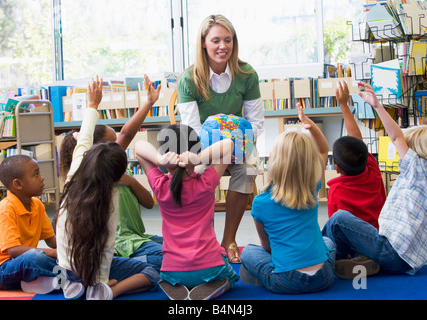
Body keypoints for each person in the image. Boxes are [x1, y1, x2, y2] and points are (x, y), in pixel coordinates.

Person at [55, 76, 159, 300]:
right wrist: (101, 283)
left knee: (163, 247)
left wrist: (92, 106)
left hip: (67, 266)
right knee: (159, 269)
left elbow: (84, 140)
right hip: (95, 266)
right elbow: (108, 243)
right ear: (116, 176)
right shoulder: (109, 194)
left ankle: (68, 282)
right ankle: (106, 289)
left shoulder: (76, 172)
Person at [176, 14, 264, 263]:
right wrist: (219, 153)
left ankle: (229, 240)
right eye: (215, 40)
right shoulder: (189, 79)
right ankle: (204, 241)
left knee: (248, 169)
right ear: (203, 42)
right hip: (203, 147)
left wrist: (236, 147)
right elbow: (192, 131)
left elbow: (256, 124)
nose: (222, 46)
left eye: (228, 40)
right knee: (197, 169)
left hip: (240, 143)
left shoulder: (247, 75)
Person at [322, 81, 427, 279]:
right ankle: (364, 259)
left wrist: (377, 105)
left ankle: (324, 263)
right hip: (407, 261)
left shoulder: (417, 170)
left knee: (338, 219)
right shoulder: (379, 172)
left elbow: (396, 137)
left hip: (392, 250)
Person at [135, 124, 239, 300]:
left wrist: (160, 160)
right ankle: (218, 284)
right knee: (231, 275)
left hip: (173, 270)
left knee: (168, 271)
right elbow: (228, 144)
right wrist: (198, 158)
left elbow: (138, 146)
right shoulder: (206, 183)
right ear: (196, 149)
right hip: (209, 267)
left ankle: (172, 284)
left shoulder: (160, 185)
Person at [239, 104, 336, 294]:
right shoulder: (313, 187)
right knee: (328, 242)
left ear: (273, 161)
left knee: (249, 251)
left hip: (287, 281)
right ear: (310, 162)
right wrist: (310, 125)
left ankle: (263, 277)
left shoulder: (260, 202)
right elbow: (324, 150)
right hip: (324, 276)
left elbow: (266, 247)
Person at [327, 80, 386, 230]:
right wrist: (344, 106)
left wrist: (342, 104)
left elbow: (336, 227)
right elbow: (357, 140)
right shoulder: (373, 172)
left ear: (336, 166)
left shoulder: (336, 191)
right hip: (380, 236)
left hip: (355, 248)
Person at [0, 155, 58, 294]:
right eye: (36, 174)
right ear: (18, 184)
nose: (42, 178)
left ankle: (51, 280)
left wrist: (74, 247)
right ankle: (70, 279)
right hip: (2, 268)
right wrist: (54, 253)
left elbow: (52, 240)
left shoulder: (37, 205)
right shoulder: (6, 209)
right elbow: (13, 251)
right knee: (34, 258)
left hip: (24, 265)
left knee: (51, 258)